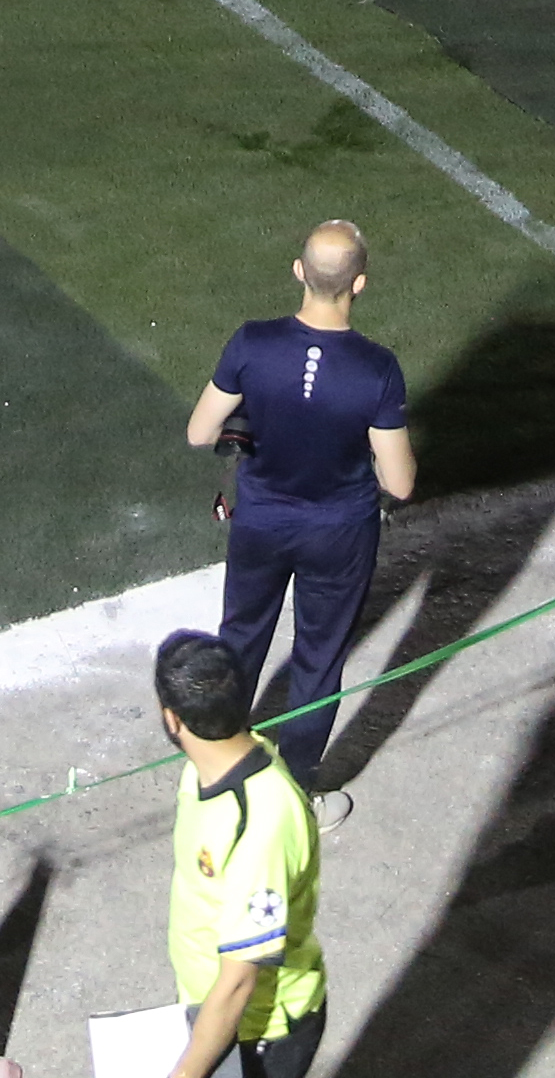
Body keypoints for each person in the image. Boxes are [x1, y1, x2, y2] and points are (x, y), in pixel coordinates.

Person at [184, 220, 415, 774]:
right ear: (359, 283)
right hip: (339, 531)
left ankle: (219, 766)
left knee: (239, 639)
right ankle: (295, 790)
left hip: (261, 522)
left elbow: (199, 432)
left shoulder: (252, 342)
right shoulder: (377, 368)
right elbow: (400, 483)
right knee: (318, 659)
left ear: (298, 272)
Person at [144, 631, 333, 1075]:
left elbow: (237, 982)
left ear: (172, 719)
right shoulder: (211, 766)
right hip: (216, 1013)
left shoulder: (259, 826)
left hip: (256, 1033)